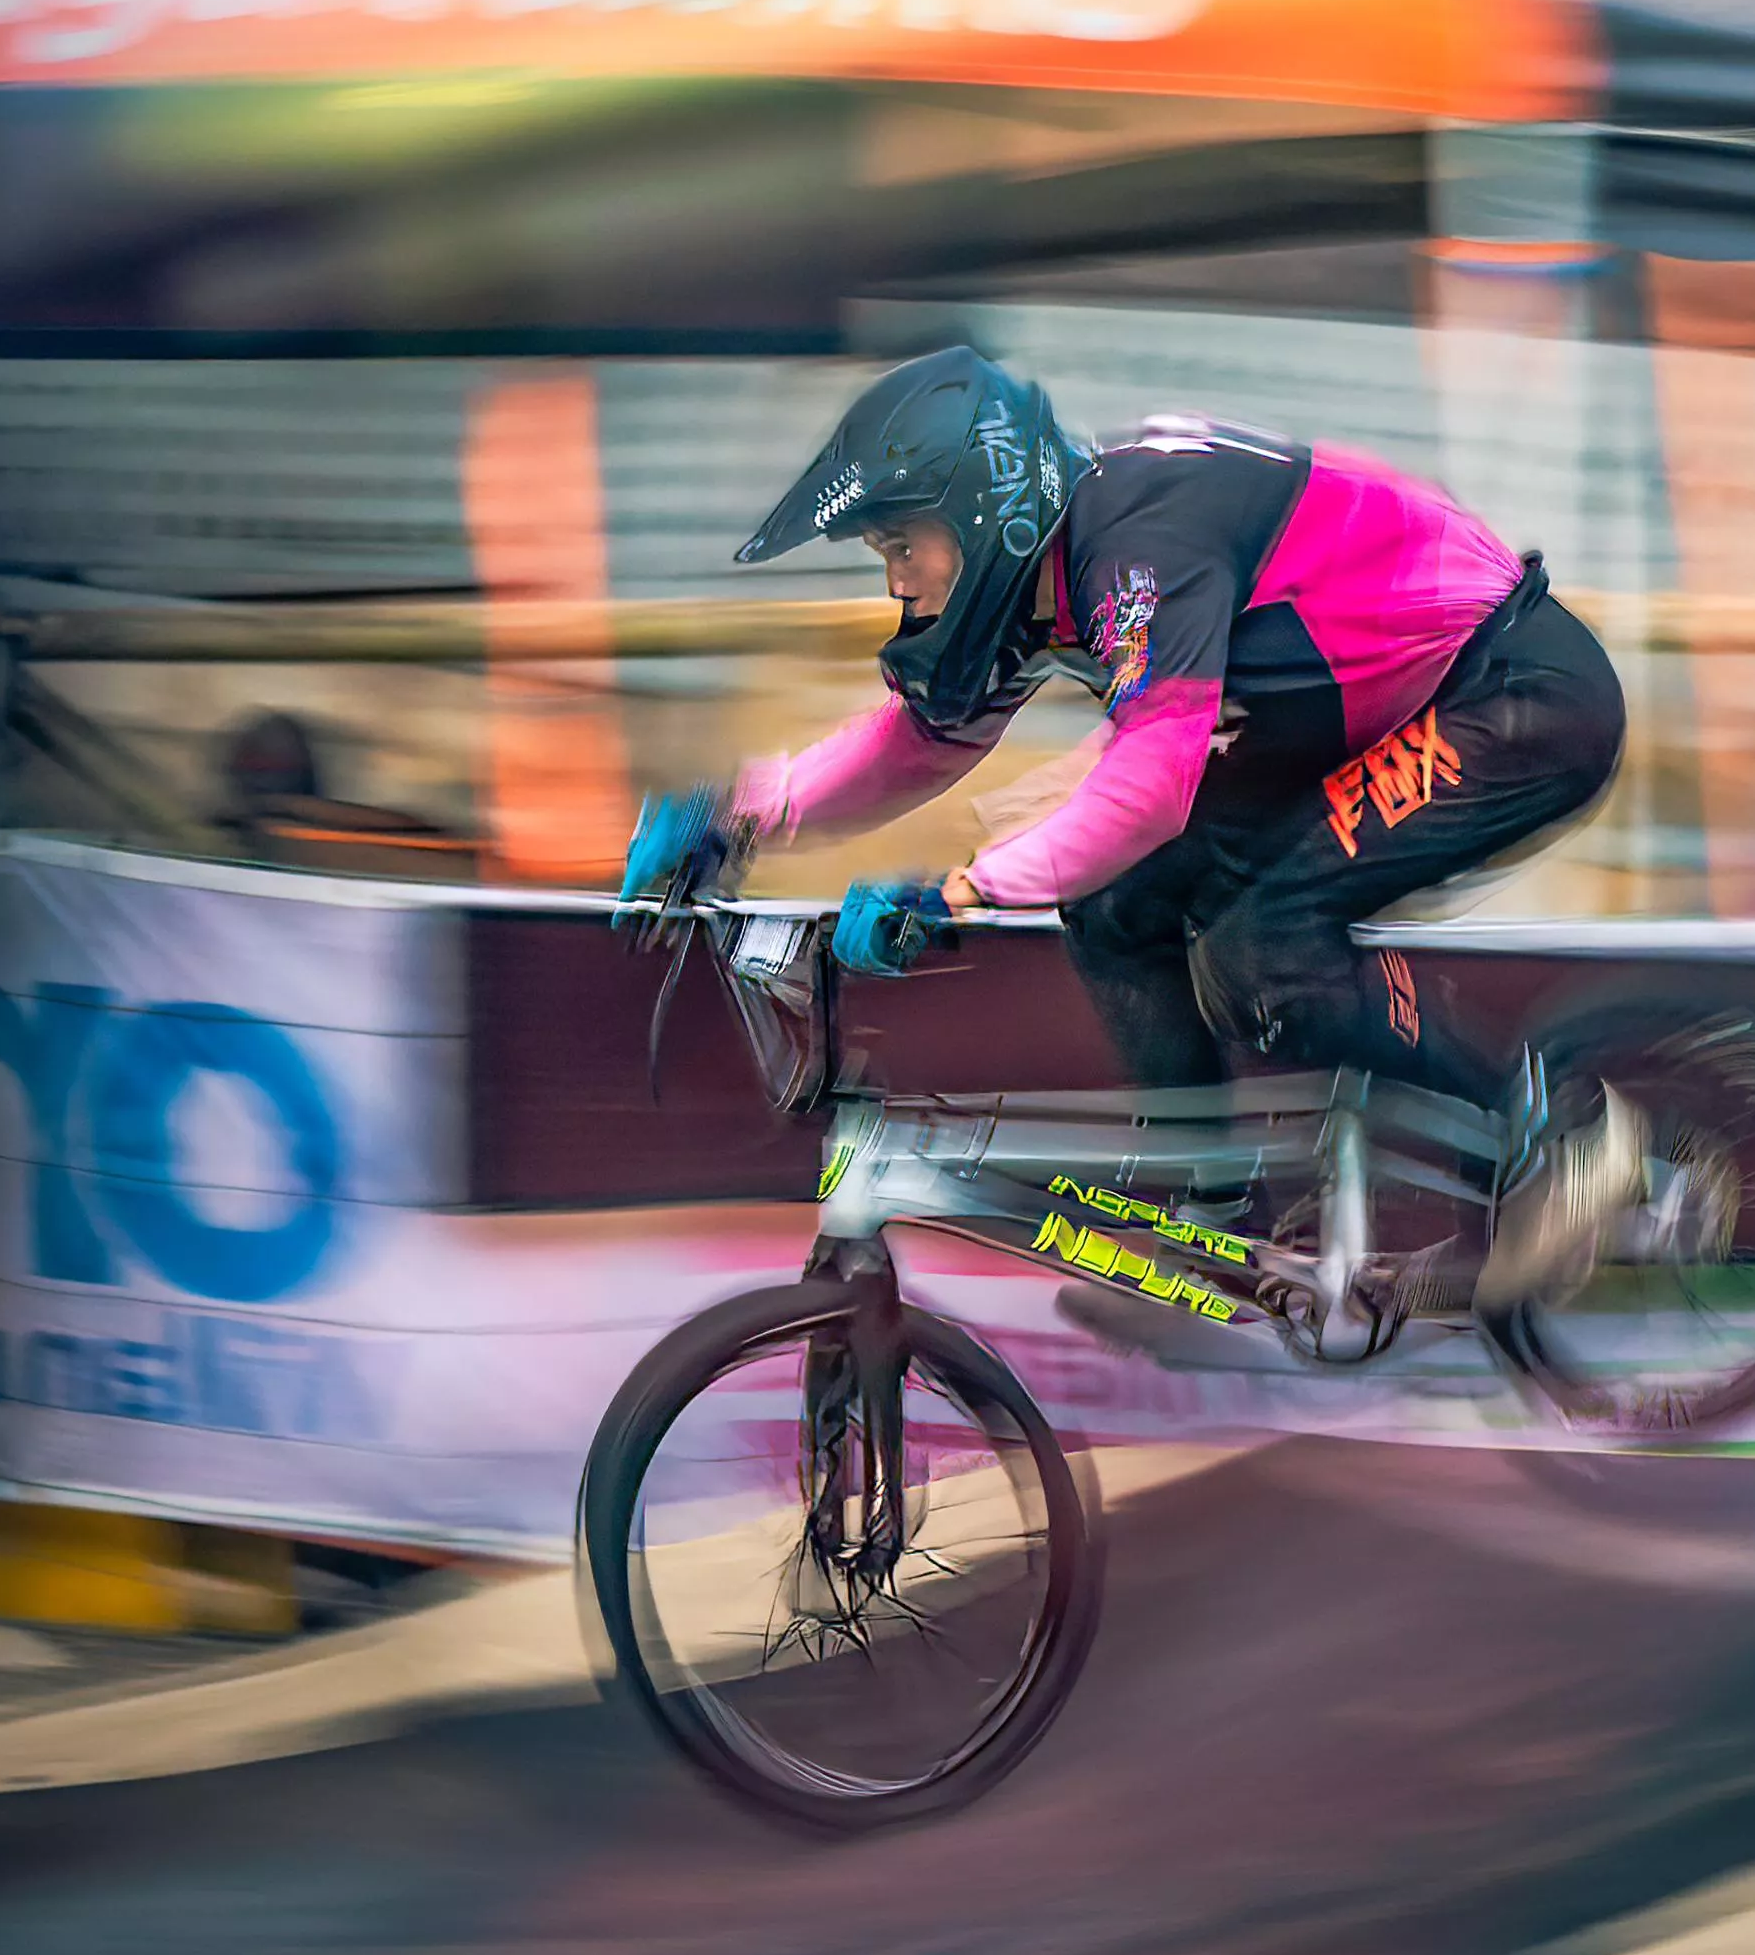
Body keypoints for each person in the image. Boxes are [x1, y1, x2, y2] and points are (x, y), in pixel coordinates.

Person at [630, 350, 1626, 1286]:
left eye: (900, 547)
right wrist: (735, 818)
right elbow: (918, 743)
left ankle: (1565, 1134)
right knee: (1113, 905)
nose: (896, 582)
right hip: (1368, 713)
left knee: (1266, 952)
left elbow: (1151, 785)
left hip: (1512, 698)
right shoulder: (1048, 566)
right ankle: (1218, 1214)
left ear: (978, 511)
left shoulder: (1138, 543)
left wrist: (965, 889)